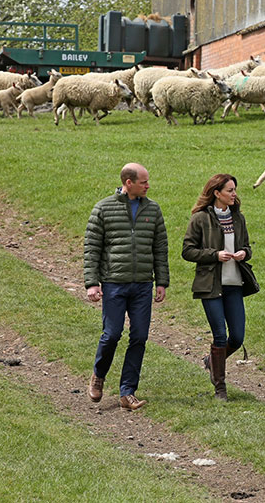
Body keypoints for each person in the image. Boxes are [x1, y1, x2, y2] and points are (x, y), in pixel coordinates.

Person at [85, 163, 169, 411]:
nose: (148, 185)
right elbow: (92, 250)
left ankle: (127, 392)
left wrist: (161, 281)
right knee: (112, 334)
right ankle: (98, 375)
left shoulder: (153, 209)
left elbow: (160, 248)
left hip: (143, 284)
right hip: (114, 284)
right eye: (144, 181)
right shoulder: (103, 209)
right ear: (128, 182)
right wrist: (92, 283)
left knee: (140, 337)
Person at [182, 174, 258, 401]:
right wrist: (215, 255)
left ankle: (211, 361)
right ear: (217, 193)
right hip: (211, 286)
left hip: (234, 284)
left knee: (237, 336)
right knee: (220, 336)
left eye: (234, 190)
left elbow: (246, 246)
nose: (234, 194)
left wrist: (244, 253)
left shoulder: (238, 218)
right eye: (230, 190)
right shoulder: (200, 219)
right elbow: (187, 251)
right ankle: (220, 389)